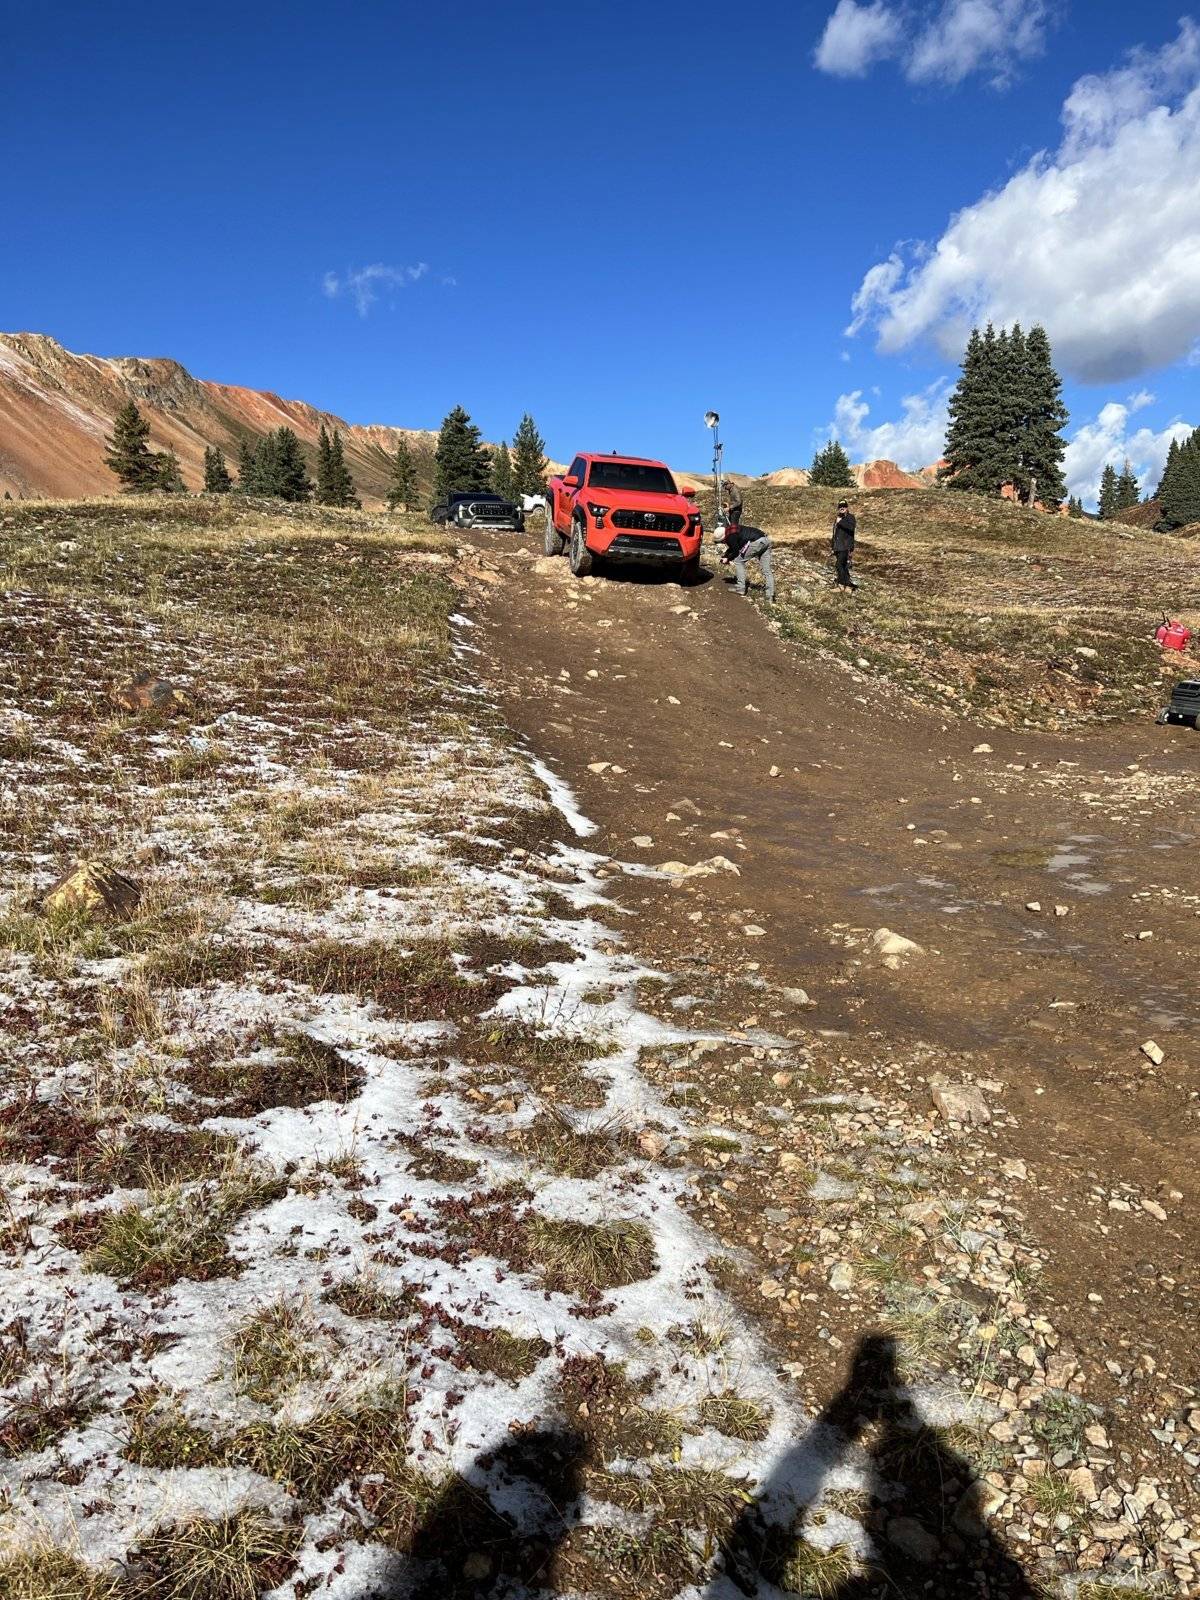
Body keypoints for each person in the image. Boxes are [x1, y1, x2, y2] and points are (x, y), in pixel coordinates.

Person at [719, 521, 775, 602]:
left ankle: (740, 588)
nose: (722, 542)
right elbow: (735, 546)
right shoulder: (732, 530)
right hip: (766, 540)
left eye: (721, 541)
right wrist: (726, 556)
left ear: (723, 538)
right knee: (767, 570)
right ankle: (770, 597)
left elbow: (735, 551)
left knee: (738, 561)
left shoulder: (730, 536)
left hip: (757, 542)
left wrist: (728, 559)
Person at [831, 498, 857, 590]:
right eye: (840, 507)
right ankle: (848, 583)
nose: (842, 508)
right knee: (843, 566)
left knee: (838, 565)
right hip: (838, 547)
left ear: (847, 507)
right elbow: (835, 533)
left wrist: (840, 522)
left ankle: (842, 583)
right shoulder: (838, 518)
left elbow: (851, 528)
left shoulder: (850, 517)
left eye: (844, 506)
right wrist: (833, 546)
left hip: (846, 547)